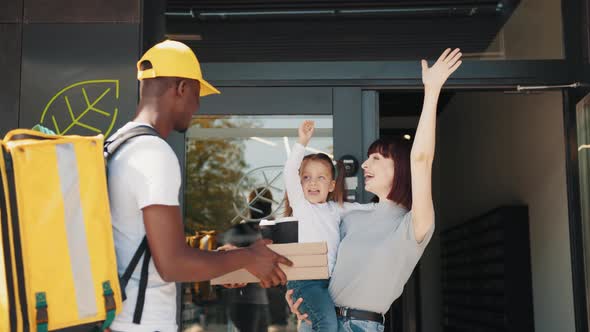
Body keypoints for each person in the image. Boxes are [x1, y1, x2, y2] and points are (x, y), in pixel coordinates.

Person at [106, 40, 292, 332]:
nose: (198, 105)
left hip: (118, 319)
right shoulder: (153, 154)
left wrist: (226, 261)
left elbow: (140, 246)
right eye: (196, 93)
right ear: (181, 88)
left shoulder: (117, 145)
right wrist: (248, 257)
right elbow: (172, 263)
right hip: (142, 323)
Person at [286, 48, 463, 331]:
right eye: (368, 157)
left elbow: (421, 160)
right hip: (319, 322)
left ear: (400, 167)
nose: (366, 163)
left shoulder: (414, 223)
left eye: (377, 158)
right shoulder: (350, 216)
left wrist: (431, 91)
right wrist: (298, 296)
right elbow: (313, 248)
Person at [283, 121, 374, 332]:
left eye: (320, 178)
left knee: (324, 324)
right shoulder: (301, 205)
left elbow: (368, 209)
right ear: (299, 183)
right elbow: (289, 171)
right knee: (326, 324)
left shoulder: (336, 209)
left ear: (332, 185)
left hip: (329, 283)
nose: (313, 183)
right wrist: (302, 142)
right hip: (306, 281)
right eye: (306, 178)